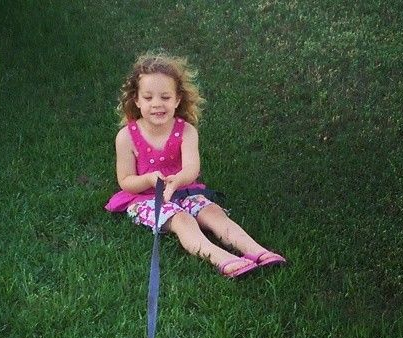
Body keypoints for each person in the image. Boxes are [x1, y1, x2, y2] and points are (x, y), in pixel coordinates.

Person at [105, 52, 286, 278]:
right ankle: (222, 258)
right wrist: (151, 180)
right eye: (149, 98)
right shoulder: (127, 137)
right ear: (137, 100)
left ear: (178, 99)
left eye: (165, 97)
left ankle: (257, 251)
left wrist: (177, 181)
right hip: (146, 198)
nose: (157, 104)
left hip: (183, 189)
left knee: (213, 213)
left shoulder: (186, 131)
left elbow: (192, 169)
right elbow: (126, 181)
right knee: (182, 220)